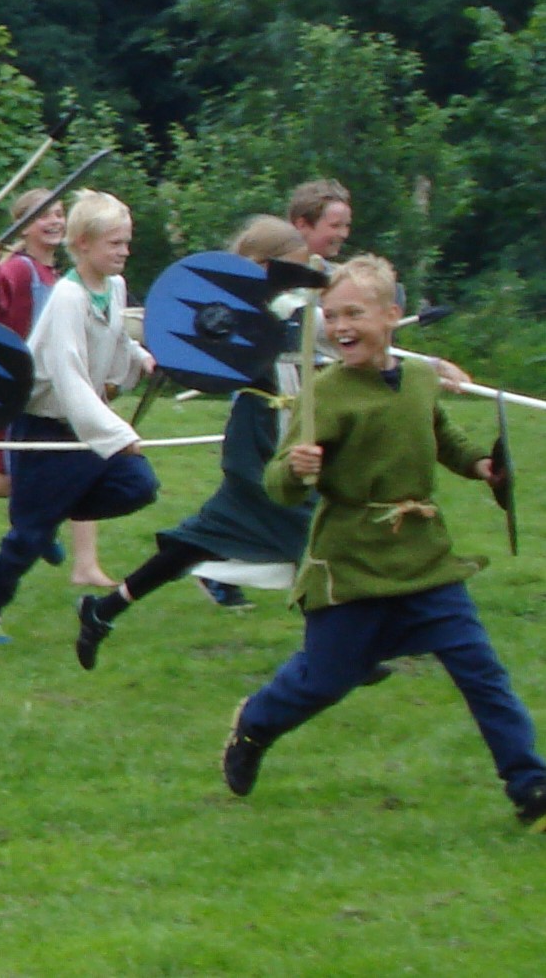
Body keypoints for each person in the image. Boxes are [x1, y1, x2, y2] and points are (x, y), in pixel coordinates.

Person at [221, 256, 544, 832]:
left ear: (391, 316)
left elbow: (442, 437)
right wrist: (296, 467)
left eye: (355, 313)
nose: (340, 325)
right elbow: (278, 486)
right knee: (321, 681)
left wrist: (482, 464)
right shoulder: (326, 394)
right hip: (352, 567)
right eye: (331, 315)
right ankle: (256, 725)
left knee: (482, 672)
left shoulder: (420, 379)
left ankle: (530, 786)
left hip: (425, 561)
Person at [77, 216, 320, 668]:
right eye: (292, 269)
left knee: (199, 544)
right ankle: (336, 649)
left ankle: (103, 610)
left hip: (283, 428)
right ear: (264, 266)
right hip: (258, 439)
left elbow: (322, 335)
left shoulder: (292, 311)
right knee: (309, 526)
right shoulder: (237, 312)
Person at [0, 191, 161, 630]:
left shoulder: (114, 287)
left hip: (84, 425)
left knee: (139, 485)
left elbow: (113, 335)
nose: (124, 252)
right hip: (48, 428)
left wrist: (139, 355)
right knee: (28, 537)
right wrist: (116, 433)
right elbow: (69, 374)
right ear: (83, 244)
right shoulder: (67, 297)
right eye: (115, 243)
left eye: (127, 242)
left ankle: (51, 511)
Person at [0, 189, 111, 588]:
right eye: (44, 216)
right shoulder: (20, 269)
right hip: (21, 387)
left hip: (55, 386)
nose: (55, 221)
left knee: (80, 463)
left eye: (59, 213)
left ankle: (78, 558)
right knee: (14, 480)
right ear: (23, 227)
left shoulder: (55, 275)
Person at [287, 178, 353, 262]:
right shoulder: (272, 270)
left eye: (347, 225)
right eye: (335, 225)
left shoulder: (332, 273)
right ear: (302, 225)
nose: (344, 234)